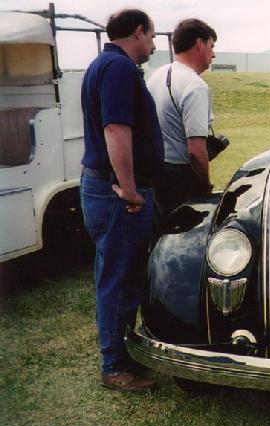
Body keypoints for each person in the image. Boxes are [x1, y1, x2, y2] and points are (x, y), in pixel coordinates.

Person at [79, 8, 164, 392]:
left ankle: (121, 355)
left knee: (114, 273)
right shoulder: (119, 69)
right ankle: (115, 367)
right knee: (118, 277)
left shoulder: (101, 64)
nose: (153, 43)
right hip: (117, 193)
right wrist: (129, 188)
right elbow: (115, 128)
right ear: (138, 31)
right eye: (151, 36)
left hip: (102, 187)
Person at [147, 18, 217, 217]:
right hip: (182, 179)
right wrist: (205, 185)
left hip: (156, 172)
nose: (213, 54)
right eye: (211, 46)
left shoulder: (156, 76)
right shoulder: (195, 85)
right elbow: (195, 150)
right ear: (199, 44)